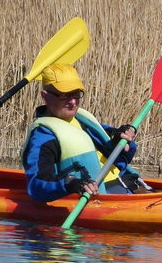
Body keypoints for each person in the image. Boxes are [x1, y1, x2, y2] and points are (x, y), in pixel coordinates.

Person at [21, 63, 148, 203]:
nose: (73, 102)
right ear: (45, 96)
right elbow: (36, 187)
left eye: (76, 94)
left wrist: (120, 140)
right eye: (64, 95)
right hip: (100, 200)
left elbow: (121, 158)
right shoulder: (42, 138)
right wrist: (70, 183)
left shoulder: (83, 121)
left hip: (129, 188)